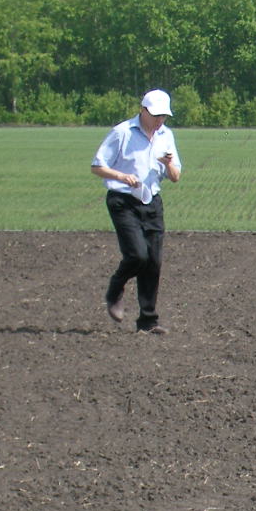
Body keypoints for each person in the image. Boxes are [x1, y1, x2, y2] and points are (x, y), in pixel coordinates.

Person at [92, 90, 181, 335]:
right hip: (123, 201)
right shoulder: (122, 133)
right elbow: (97, 166)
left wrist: (168, 164)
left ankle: (148, 321)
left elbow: (175, 177)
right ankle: (115, 288)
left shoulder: (166, 136)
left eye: (163, 116)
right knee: (137, 256)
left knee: (153, 261)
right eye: (155, 115)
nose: (159, 120)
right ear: (143, 110)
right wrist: (121, 176)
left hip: (151, 202)